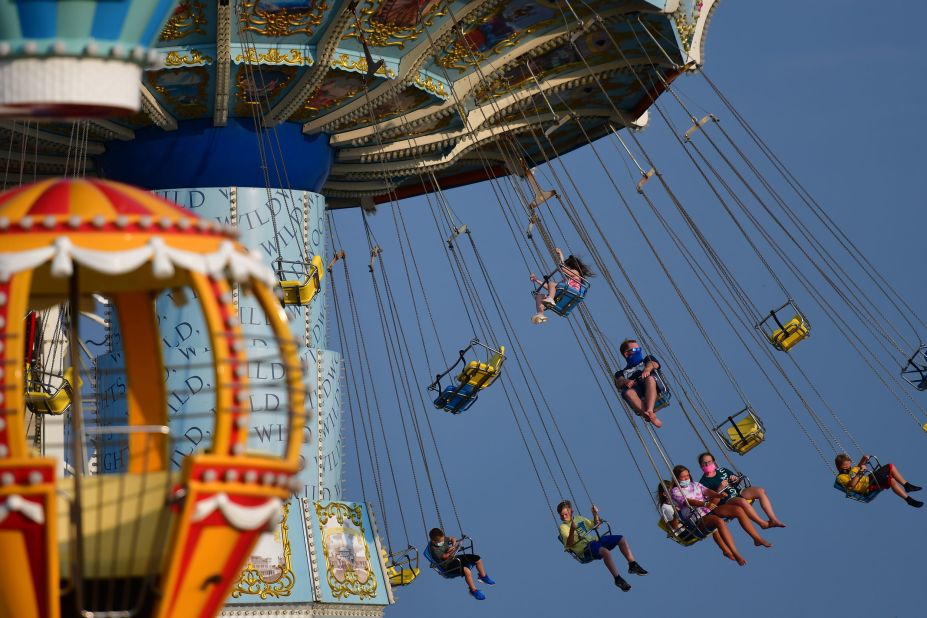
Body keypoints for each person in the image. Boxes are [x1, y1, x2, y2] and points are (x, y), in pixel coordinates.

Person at [670, 465, 772, 549]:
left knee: (738, 510)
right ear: (677, 478)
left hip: (709, 509)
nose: (687, 478)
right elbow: (688, 502)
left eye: (688, 475)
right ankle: (734, 551)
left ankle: (756, 538)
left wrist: (718, 495)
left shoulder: (695, 484)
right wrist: (705, 504)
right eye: (683, 477)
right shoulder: (675, 491)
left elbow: (707, 491)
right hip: (698, 518)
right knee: (719, 521)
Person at [556, 500, 647, 591]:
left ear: (571, 511)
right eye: (561, 516)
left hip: (596, 541)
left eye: (566, 514)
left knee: (621, 539)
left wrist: (595, 514)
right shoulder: (563, 527)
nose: (564, 517)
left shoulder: (579, 518)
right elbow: (569, 544)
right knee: (605, 552)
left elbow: (596, 525)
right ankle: (617, 579)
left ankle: (632, 564)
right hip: (585, 549)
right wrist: (572, 530)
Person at [656, 481, 745, 565]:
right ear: (665, 494)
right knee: (716, 521)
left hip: (696, 519)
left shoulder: (679, 499)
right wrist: (677, 515)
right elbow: (674, 526)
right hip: (688, 530)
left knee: (713, 513)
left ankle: (726, 550)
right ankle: (733, 552)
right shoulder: (666, 507)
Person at [697, 452, 786, 528]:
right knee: (742, 501)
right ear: (701, 466)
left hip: (737, 491)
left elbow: (736, 481)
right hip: (727, 500)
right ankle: (762, 523)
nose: (708, 464)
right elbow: (710, 500)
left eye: (709, 462)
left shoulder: (722, 470)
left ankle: (773, 519)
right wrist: (719, 489)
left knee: (760, 491)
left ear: (713, 462)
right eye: (705, 463)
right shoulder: (703, 483)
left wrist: (735, 478)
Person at [427, 527, 496, 600]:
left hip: (454, 558)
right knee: (467, 571)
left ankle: (483, 576)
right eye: (440, 541)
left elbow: (452, 538)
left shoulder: (442, 539)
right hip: (447, 565)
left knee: (477, 559)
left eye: (443, 539)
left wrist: (453, 545)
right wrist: (454, 549)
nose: (442, 541)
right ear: (434, 541)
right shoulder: (433, 549)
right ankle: (473, 590)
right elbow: (445, 557)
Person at [529, 248, 593, 324]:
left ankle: (550, 299)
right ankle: (541, 314)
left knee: (552, 283)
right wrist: (536, 280)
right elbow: (549, 288)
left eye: (567, 266)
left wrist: (560, 254)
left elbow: (562, 268)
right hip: (564, 292)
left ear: (570, 266)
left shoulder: (575, 272)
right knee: (539, 296)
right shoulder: (565, 282)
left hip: (572, 290)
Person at [834, 453, 922, 508]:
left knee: (890, 466)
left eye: (848, 464)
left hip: (869, 479)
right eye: (845, 466)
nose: (848, 467)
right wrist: (861, 473)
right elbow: (851, 485)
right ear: (840, 467)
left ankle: (907, 485)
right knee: (891, 480)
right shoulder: (841, 477)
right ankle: (909, 500)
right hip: (867, 488)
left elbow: (859, 465)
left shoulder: (853, 469)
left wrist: (864, 458)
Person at [613, 339, 663, 427]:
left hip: (650, 384)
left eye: (639, 349)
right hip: (637, 390)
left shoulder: (647, 360)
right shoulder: (621, 373)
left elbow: (654, 364)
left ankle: (650, 411)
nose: (639, 351)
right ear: (627, 354)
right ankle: (649, 415)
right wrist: (626, 381)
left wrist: (647, 369)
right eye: (636, 350)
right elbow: (618, 381)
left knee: (650, 379)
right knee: (628, 392)